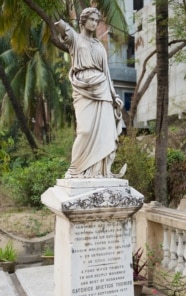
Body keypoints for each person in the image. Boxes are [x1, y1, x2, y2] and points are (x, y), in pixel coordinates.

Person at [55, 7, 126, 178]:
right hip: (83, 88)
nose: (94, 23)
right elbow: (61, 26)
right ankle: (75, 170)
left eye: (97, 20)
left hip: (102, 89)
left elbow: (106, 73)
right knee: (85, 130)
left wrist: (115, 95)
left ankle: (99, 172)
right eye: (91, 19)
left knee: (104, 133)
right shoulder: (75, 39)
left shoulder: (99, 46)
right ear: (83, 20)